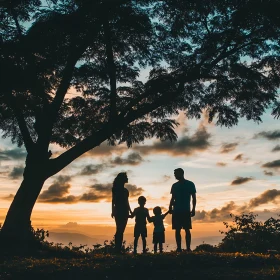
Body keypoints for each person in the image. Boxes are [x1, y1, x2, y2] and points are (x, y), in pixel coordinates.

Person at [169, 168, 196, 252]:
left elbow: (193, 198)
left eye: (176, 174)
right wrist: (170, 207)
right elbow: (172, 198)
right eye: (175, 174)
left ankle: (188, 248)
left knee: (186, 229)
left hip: (185, 210)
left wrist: (193, 209)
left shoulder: (190, 184)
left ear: (181, 173)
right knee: (178, 230)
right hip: (177, 210)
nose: (175, 176)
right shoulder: (174, 185)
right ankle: (179, 248)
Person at [111, 172, 132, 253]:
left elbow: (127, 202)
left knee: (120, 230)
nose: (127, 178)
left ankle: (118, 248)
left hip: (122, 211)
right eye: (126, 177)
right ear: (123, 179)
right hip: (120, 211)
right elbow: (113, 201)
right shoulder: (117, 189)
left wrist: (130, 211)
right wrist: (113, 210)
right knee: (120, 230)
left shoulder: (124, 190)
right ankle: (117, 249)